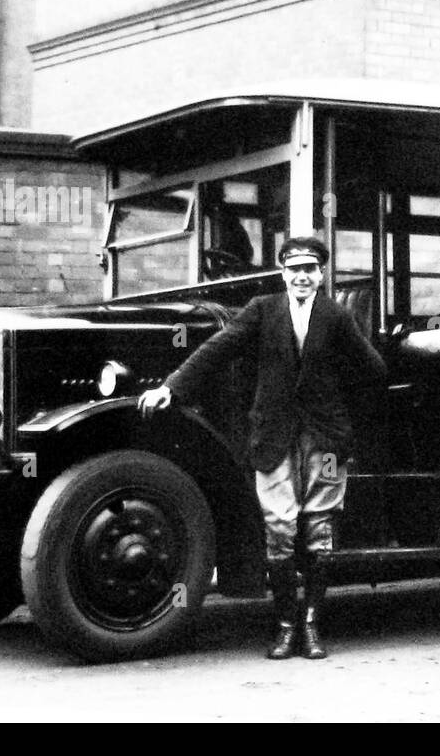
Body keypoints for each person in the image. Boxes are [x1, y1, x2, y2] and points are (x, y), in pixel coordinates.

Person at [137, 236, 386, 660]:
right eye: (294, 269)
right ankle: (286, 627)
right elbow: (216, 350)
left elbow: (373, 371)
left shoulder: (337, 316)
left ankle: (311, 628)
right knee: (280, 530)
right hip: (273, 441)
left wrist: (345, 424)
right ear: (284, 273)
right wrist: (171, 388)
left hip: (327, 446)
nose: (302, 276)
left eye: (310, 268)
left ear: (321, 274)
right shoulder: (262, 310)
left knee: (320, 531)